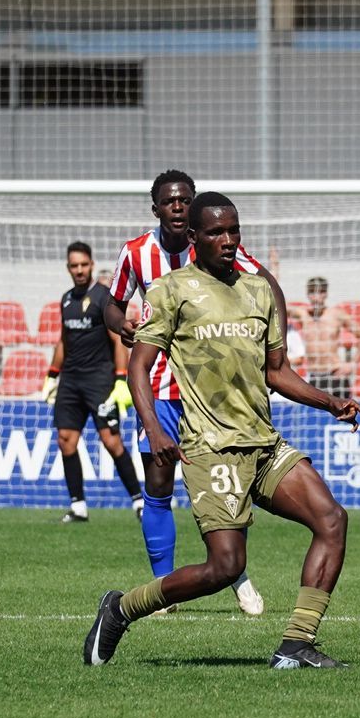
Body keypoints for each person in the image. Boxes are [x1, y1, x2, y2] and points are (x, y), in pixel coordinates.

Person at [83, 192, 360, 669]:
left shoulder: (257, 291)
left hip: (264, 443)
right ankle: (121, 608)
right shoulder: (170, 291)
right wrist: (152, 428)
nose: (228, 239)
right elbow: (139, 366)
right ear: (193, 238)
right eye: (216, 232)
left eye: (234, 230)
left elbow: (277, 371)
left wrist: (329, 401)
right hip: (211, 450)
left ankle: (297, 644)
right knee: (224, 568)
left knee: (331, 521)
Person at [104, 169, 265, 616]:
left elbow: (266, 283)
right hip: (159, 389)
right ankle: (162, 587)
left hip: (214, 392)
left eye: (185, 200)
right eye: (170, 201)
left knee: (229, 481)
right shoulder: (136, 253)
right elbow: (112, 306)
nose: (178, 206)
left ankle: (235, 572)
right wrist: (124, 326)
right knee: (158, 483)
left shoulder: (217, 244)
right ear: (155, 207)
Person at [44, 241, 144, 524]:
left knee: (111, 441)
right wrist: (52, 374)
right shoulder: (66, 300)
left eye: (84, 265)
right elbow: (63, 340)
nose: (79, 270)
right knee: (65, 441)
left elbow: (117, 341)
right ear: (68, 268)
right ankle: (78, 506)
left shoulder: (103, 297)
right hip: (71, 382)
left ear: (90, 264)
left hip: (100, 381)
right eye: (74, 266)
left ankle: (138, 501)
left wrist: (121, 380)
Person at [287, 276, 360, 398]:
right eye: (312, 292)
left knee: (345, 415)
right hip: (314, 376)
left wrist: (352, 363)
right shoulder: (302, 314)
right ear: (307, 294)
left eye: (320, 292)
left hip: (335, 373)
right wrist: (275, 269)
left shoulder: (336, 314)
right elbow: (278, 304)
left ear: (325, 294)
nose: (316, 297)